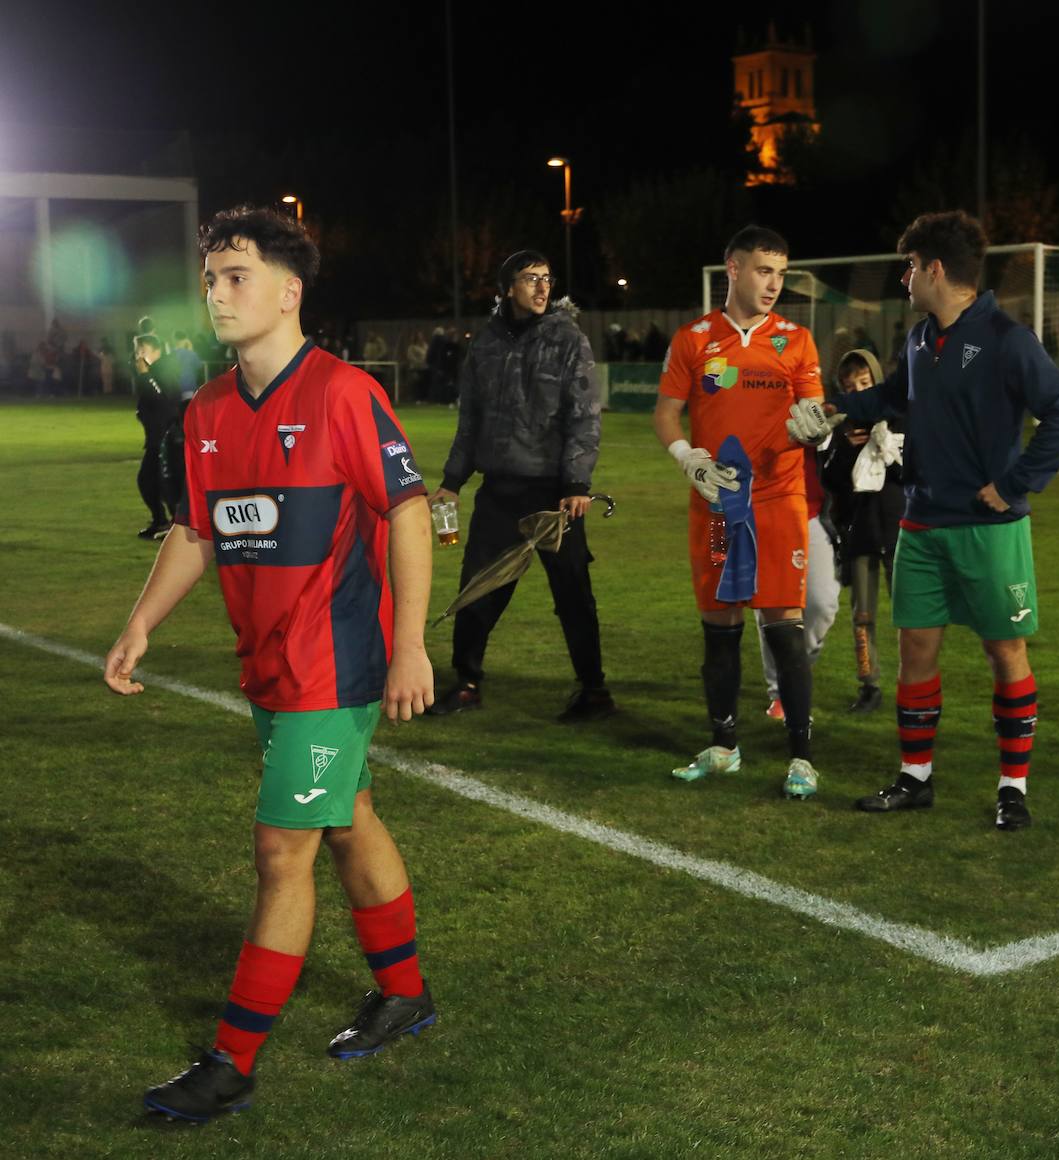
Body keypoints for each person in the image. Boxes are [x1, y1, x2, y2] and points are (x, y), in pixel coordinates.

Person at [104, 205, 437, 1123]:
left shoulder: (342, 394)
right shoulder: (206, 410)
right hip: (268, 668)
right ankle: (405, 993)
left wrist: (409, 645)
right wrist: (141, 624)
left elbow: (407, 513)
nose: (216, 292)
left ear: (289, 292)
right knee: (346, 820)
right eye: (210, 277)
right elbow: (195, 530)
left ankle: (232, 1062)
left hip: (336, 667)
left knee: (279, 849)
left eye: (236, 275)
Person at [842, 210, 1059, 830]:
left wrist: (1014, 485)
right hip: (920, 522)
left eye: (911, 268)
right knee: (916, 649)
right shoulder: (921, 338)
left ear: (936, 269)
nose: (905, 280)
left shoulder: (1007, 338)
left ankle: (1012, 788)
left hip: (988, 529)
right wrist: (831, 410)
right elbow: (894, 397)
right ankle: (915, 778)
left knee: (1005, 651)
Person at [654, 225, 832, 799]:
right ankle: (724, 746)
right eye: (763, 270)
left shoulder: (797, 340)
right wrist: (689, 461)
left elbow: (812, 412)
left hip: (779, 499)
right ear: (732, 269)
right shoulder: (693, 339)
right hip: (716, 501)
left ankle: (802, 758)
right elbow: (666, 414)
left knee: (785, 626)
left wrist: (818, 430)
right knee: (720, 628)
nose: (774, 284)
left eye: (781, 273)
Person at [427, 249, 613, 721]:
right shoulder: (486, 343)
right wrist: (452, 481)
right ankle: (466, 683)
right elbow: (470, 419)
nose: (543, 288)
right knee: (477, 588)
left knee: (573, 594)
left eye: (548, 279)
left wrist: (576, 483)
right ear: (508, 286)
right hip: (499, 492)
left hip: (554, 497)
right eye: (532, 279)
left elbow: (584, 417)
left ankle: (594, 691)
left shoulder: (568, 338)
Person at [821, 348, 905, 713]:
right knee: (862, 617)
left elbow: (914, 474)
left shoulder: (899, 419)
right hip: (859, 535)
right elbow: (830, 482)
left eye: (864, 383)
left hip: (901, 532)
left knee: (910, 616)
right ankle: (869, 686)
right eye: (849, 386)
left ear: (876, 381)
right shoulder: (839, 430)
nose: (856, 392)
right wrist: (843, 448)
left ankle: (914, 684)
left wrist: (886, 447)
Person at [753, 442, 839, 720]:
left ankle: (796, 672)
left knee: (822, 603)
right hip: (763, 510)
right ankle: (781, 693)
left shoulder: (817, 400)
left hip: (813, 513)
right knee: (771, 604)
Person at [130, 335, 181, 539]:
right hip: (158, 436)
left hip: (164, 437)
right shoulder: (156, 371)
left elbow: (160, 399)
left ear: (153, 349)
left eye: (140, 350)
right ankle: (163, 521)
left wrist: (144, 376)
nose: (137, 356)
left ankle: (172, 522)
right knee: (154, 480)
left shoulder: (164, 369)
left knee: (155, 480)